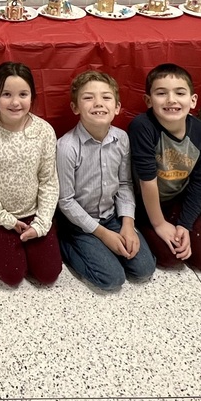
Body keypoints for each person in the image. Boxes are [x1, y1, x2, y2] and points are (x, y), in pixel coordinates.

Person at [56, 70, 155, 291]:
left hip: (111, 216)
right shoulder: (67, 147)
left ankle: (106, 243)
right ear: (75, 107)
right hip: (79, 223)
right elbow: (66, 201)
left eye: (106, 97)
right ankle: (65, 243)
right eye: (88, 97)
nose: (98, 103)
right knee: (112, 279)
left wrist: (128, 225)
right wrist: (103, 235)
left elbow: (124, 184)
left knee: (144, 270)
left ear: (117, 107)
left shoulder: (122, 138)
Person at [0, 62, 61, 287]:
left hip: (33, 211)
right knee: (12, 275)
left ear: (32, 96)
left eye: (23, 94)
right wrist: (5, 219)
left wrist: (41, 224)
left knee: (48, 274)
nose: (15, 102)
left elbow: (48, 181)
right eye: (6, 94)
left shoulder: (44, 131)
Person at [128, 64, 201, 271]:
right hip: (144, 202)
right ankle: (147, 226)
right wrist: (159, 224)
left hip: (177, 199)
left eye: (180, 93)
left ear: (193, 100)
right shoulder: (142, 126)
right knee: (169, 259)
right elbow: (147, 181)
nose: (171, 100)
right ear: (148, 101)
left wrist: (185, 224)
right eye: (161, 93)